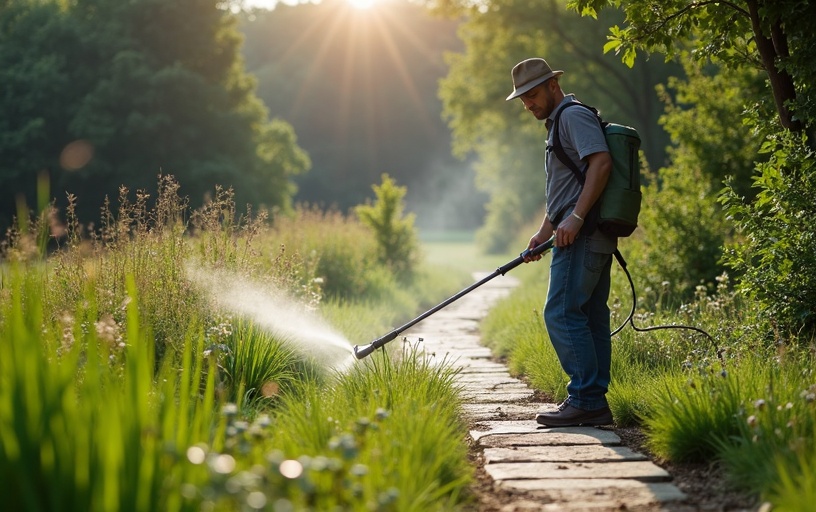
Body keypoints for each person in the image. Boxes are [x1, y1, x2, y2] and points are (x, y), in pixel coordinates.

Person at [507, 57, 616, 427]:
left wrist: (577, 218)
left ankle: (585, 399)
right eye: (523, 99)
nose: (529, 104)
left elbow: (600, 164)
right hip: (583, 231)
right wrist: (543, 232)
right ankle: (594, 403)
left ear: (554, 85)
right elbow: (565, 188)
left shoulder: (571, 116)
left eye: (533, 95)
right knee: (590, 317)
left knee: (562, 313)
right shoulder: (557, 123)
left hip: (583, 235)